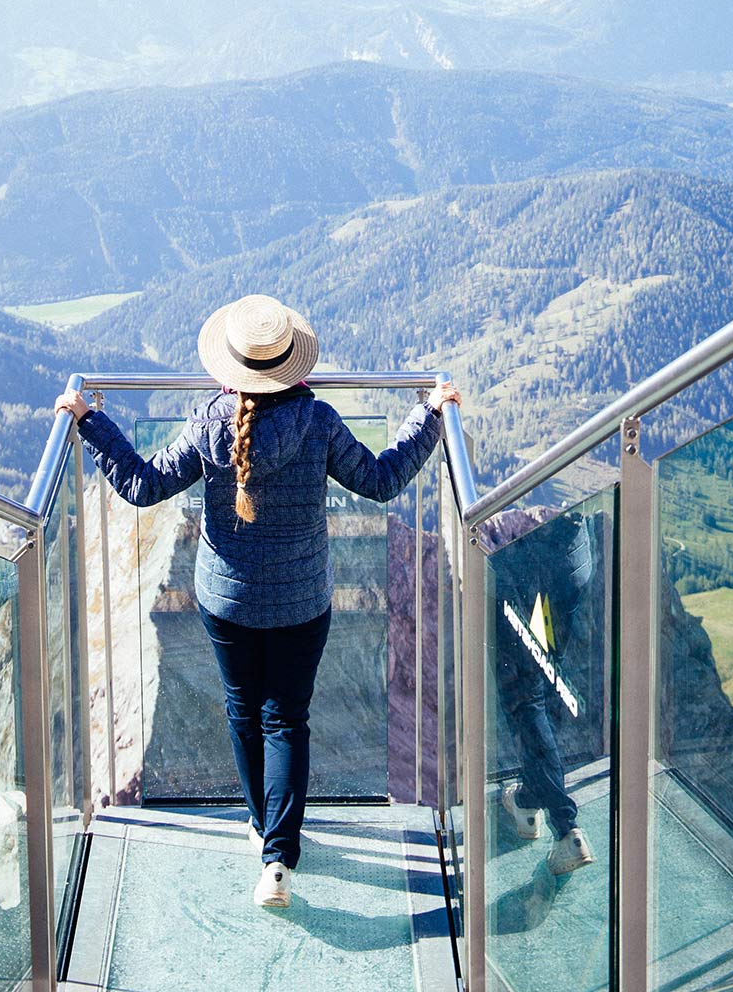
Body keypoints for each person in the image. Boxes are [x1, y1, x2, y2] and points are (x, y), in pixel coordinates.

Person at [55, 292, 458, 911]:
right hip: (302, 602)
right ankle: (278, 859)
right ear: (292, 365)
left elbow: (141, 483)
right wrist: (429, 416)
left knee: (244, 713)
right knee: (286, 720)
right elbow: (380, 479)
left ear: (231, 367)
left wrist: (89, 419)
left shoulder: (210, 424)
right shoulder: (319, 422)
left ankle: (261, 824)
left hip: (228, 603)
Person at [482, 504, 595, 876]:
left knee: (527, 696)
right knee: (544, 689)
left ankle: (566, 828)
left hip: (531, 568)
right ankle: (528, 801)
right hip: (571, 558)